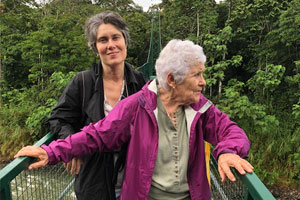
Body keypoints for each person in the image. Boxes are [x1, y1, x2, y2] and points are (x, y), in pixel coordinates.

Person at [15, 39, 253, 200]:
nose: (203, 82)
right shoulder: (137, 107)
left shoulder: (202, 108)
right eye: (197, 75)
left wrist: (228, 151)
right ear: (171, 79)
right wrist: (53, 152)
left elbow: (230, 131)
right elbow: (97, 134)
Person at [44, 11, 146, 200]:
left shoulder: (139, 82)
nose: (111, 45)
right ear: (95, 47)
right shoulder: (83, 82)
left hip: (132, 184)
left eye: (116, 37)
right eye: (103, 40)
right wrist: (73, 146)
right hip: (94, 184)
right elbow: (58, 119)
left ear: (125, 41)